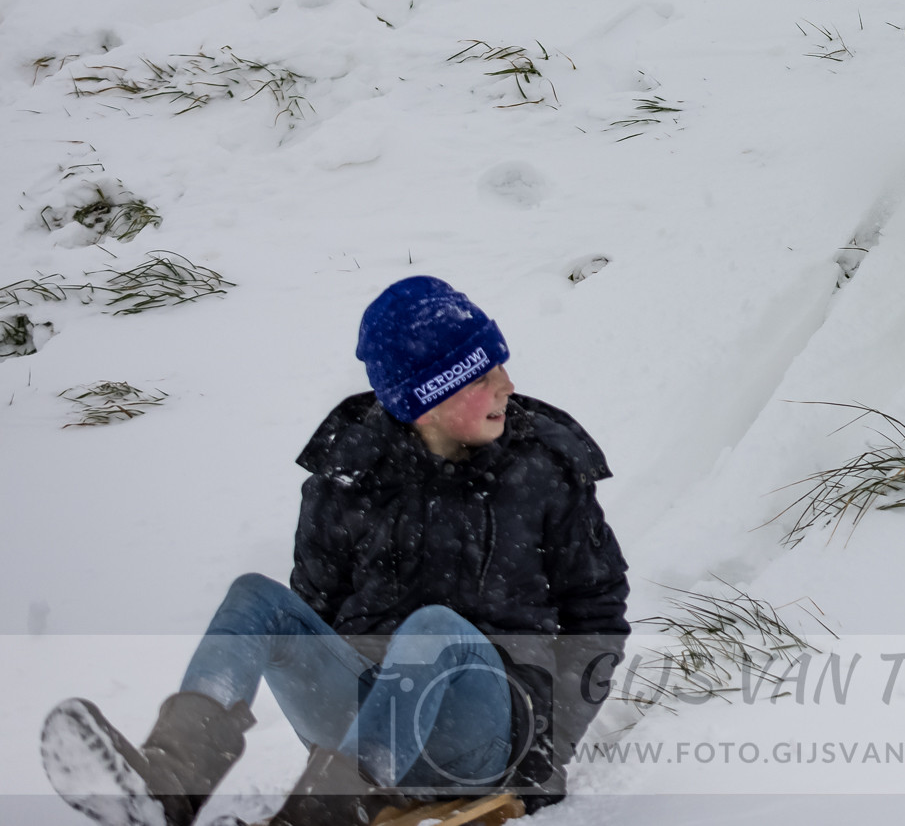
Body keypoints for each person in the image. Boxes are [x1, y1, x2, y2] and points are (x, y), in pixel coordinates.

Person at [40, 276, 630, 826]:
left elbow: (597, 614)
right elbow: (314, 611)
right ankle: (168, 786)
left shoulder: (542, 470)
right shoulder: (350, 474)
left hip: (483, 735)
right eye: (481, 378)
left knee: (433, 630)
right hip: (363, 726)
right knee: (255, 599)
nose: (507, 386)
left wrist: (549, 754)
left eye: (501, 366)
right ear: (426, 401)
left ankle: (329, 811)